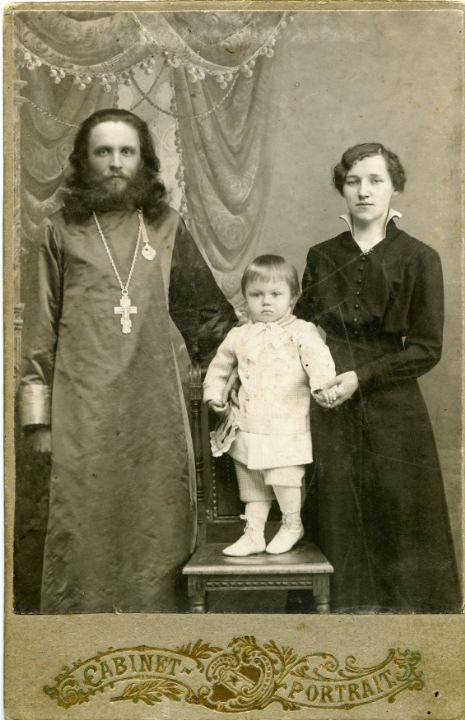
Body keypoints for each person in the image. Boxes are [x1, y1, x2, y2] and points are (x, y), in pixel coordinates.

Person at [18, 108, 237, 614]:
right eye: (103, 152)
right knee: (83, 520)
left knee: (155, 523)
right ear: (84, 161)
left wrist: (240, 377)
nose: (116, 163)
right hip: (82, 409)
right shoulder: (58, 231)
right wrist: (39, 420)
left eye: (126, 152)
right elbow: (39, 333)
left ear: (144, 161)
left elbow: (208, 317)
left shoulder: (166, 226)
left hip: (153, 408)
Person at [294, 143, 462, 613]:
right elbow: (301, 330)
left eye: (375, 180)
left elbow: (427, 348)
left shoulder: (420, 257)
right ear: (342, 189)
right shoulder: (322, 256)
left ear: (394, 187)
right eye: (353, 182)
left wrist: (362, 378)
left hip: (394, 405)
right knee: (336, 509)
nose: (363, 191)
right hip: (332, 398)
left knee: (400, 509)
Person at [203, 255, 336, 557]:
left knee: (283, 475)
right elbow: (220, 367)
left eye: (276, 294)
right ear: (245, 297)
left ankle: (292, 524)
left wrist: (322, 386)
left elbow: (319, 362)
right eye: (256, 295)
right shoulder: (239, 335)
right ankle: (254, 534)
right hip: (248, 423)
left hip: (286, 424)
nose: (266, 302)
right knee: (252, 483)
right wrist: (214, 393)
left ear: (293, 297)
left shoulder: (301, 331)